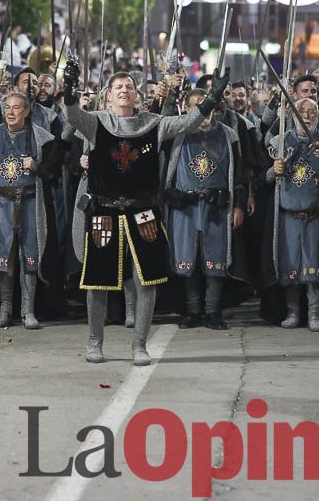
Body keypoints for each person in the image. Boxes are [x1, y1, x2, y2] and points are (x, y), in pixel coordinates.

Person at [61, 58, 226, 366]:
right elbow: (71, 115)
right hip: (104, 213)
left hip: (143, 215)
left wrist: (211, 99)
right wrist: (68, 87)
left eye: (129, 87)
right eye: (118, 87)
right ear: (108, 95)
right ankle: (95, 342)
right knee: (97, 283)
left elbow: (187, 123)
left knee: (145, 282)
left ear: (137, 95)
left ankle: (139, 345)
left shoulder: (153, 122)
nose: (124, 91)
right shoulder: (95, 122)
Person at [0, 92, 59, 329]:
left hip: (30, 204)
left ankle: (28, 311)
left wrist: (36, 166)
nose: (10, 112)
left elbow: (54, 173)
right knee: (2, 258)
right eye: (7, 107)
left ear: (27, 111)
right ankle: (5, 309)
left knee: (30, 258)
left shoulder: (43, 138)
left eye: (16, 107)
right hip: (0, 207)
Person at [162, 88, 246, 330]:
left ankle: (212, 311)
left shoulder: (228, 134)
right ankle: (191, 311)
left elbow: (239, 172)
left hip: (216, 208)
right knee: (187, 261)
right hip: (184, 209)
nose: (203, 109)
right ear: (188, 110)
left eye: (206, 104)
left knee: (215, 261)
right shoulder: (179, 133)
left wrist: (238, 204)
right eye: (196, 105)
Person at [266, 97, 319, 333]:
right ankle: (293, 312)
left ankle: (314, 314)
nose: (306, 116)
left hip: (315, 215)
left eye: (312, 111)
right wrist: (273, 170)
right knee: (290, 266)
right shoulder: (278, 142)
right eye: (301, 111)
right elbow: (263, 178)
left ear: (318, 116)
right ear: (292, 115)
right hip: (288, 215)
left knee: (314, 266)